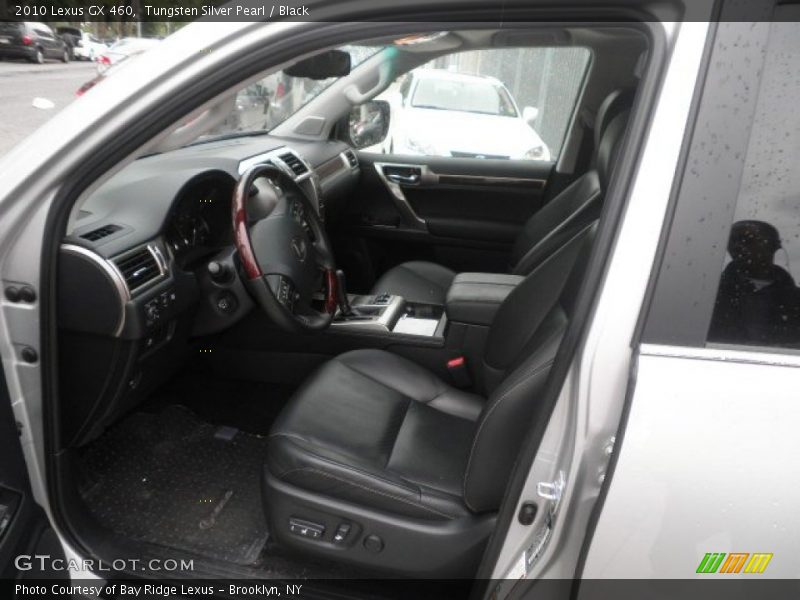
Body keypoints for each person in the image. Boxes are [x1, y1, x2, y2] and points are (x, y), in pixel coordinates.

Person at [709, 220, 800, 345]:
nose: (737, 246)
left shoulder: (795, 301)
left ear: (774, 246)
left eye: (747, 240)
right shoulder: (708, 297)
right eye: (732, 240)